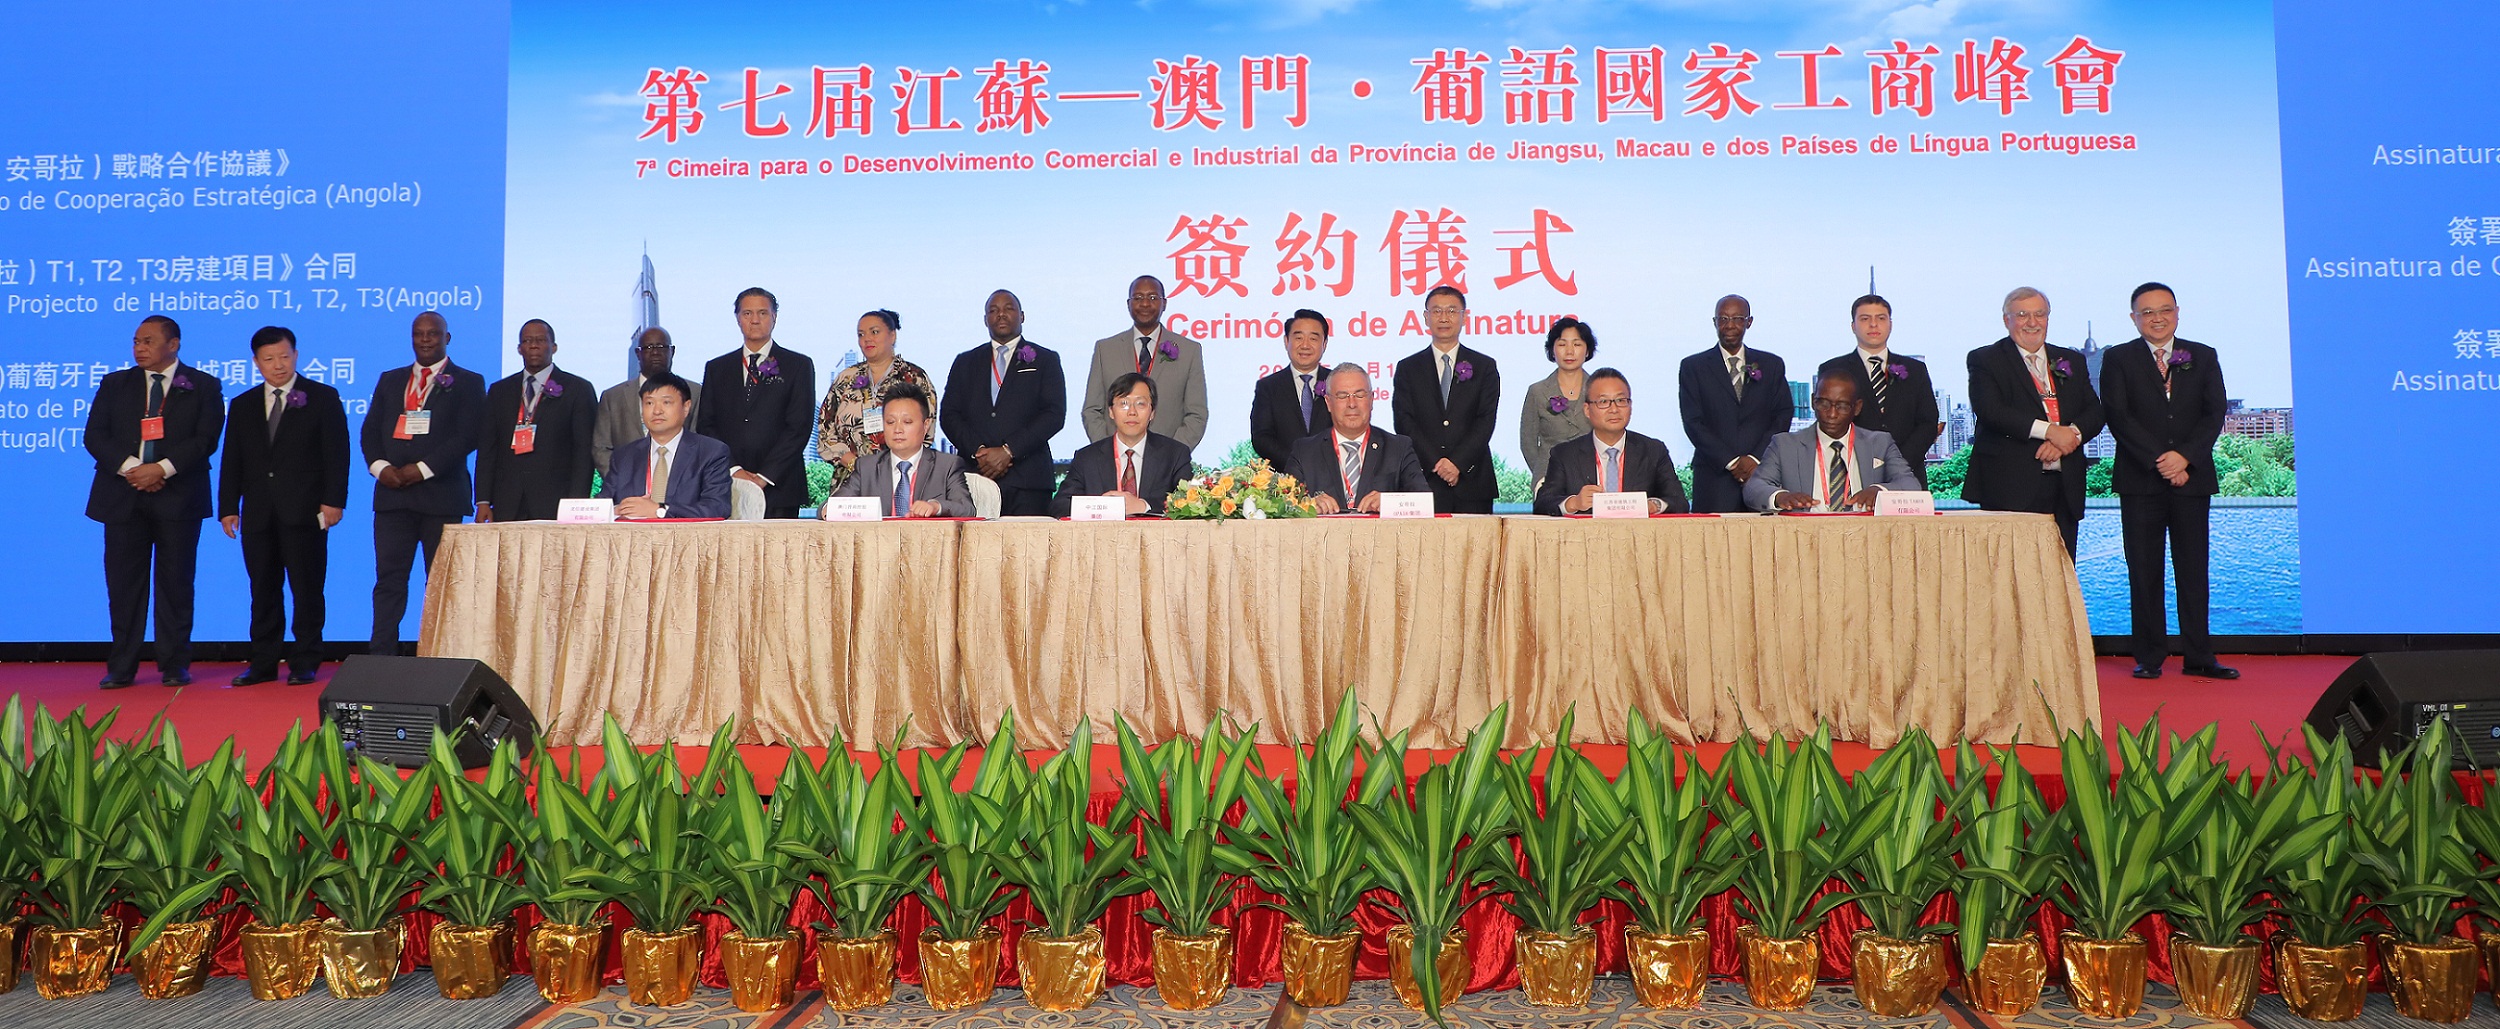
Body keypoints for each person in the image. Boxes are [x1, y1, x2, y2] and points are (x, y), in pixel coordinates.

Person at [2102, 282, 2236, 680]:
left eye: (2165, 310)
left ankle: (2200, 656)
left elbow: (2214, 413)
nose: (2157, 318)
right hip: (2140, 480)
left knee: (2193, 570)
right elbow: (2118, 415)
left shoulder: (2203, 355)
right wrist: (2159, 460)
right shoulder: (2118, 358)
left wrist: (2185, 458)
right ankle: (2149, 656)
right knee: (2144, 571)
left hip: (2191, 479)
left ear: (2177, 313)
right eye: (2147, 312)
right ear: (2134, 318)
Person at [85, 315, 223, 688]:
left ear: (173, 344)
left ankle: (174, 664)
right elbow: (95, 435)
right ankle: (121, 666)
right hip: (122, 496)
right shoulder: (115, 384)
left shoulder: (203, 385)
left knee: (176, 583)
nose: (139, 348)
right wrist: (134, 470)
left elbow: (205, 439)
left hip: (179, 497)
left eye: (147, 341)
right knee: (123, 585)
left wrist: (161, 469)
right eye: (136, 341)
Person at [217, 326, 348, 686]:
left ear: (296, 355)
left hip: (306, 511)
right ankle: (263, 662)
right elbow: (232, 460)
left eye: (284, 356)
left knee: (307, 589)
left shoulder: (322, 397)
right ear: (256, 362)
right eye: (269, 359)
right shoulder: (242, 404)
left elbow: (337, 455)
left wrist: (334, 501)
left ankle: (305, 661)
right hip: (258, 513)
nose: (278, 365)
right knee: (262, 590)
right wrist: (228, 507)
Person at [361, 310, 484, 655]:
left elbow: (468, 435)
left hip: (441, 497)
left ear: (448, 338)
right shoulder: (390, 379)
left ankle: (441, 658)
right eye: (419, 333)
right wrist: (381, 468)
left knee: (442, 584)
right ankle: (380, 658)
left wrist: (423, 469)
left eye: (433, 333)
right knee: (389, 581)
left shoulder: (469, 381)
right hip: (393, 497)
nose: (426, 339)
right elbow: (370, 431)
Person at [1965, 286, 2104, 555]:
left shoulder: (2071, 359)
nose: (2032, 322)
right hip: (2009, 487)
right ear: (2006, 320)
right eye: (2022, 315)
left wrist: (2068, 437)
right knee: (2011, 570)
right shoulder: (1985, 359)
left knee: (2062, 569)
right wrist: (2050, 431)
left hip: (2065, 486)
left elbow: (2094, 412)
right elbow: (1991, 410)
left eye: (2039, 314)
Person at [939, 289, 1066, 515]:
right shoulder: (965, 362)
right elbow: (949, 415)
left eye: (1009, 308)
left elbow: (1053, 414)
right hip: (975, 477)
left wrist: (1009, 450)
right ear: (985, 319)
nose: (1001, 314)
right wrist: (978, 452)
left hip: (1029, 481)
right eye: (993, 310)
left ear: (1022, 316)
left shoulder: (1045, 359)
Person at [695, 287, 816, 518]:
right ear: (738, 318)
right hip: (727, 484)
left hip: (780, 486)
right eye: (747, 313)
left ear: (774, 317)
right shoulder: (717, 368)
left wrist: (764, 477)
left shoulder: (798, 365)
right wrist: (734, 469)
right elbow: (706, 425)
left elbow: (799, 427)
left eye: (762, 313)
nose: (755, 320)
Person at [1391, 286, 1502, 513]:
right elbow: (1404, 421)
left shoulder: (1484, 366)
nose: (1444, 318)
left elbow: (1485, 420)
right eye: (1437, 311)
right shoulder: (1408, 368)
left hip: (1472, 480)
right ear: (1426, 317)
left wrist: (1457, 463)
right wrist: (1437, 463)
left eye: (1451, 311)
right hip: (1423, 479)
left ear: (1464, 317)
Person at [475, 319, 597, 522]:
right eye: (527, 340)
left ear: (554, 347)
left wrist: (576, 503)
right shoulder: (499, 391)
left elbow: (583, 452)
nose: (533, 345)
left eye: (540, 340)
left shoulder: (578, 389)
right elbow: (488, 449)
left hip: (556, 501)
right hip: (507, 501)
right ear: (519, 348)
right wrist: (483, 500)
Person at [1679, 294, 1791, 513]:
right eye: (1723, 319)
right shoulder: (1693, 367)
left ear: (1749, 322)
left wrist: (1754, 458)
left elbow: (1783, 414)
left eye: (1737, 319)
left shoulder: (1771, 364)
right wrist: (1731, 462)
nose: (1729, 325)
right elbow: (1693, 422)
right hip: (1714, 478)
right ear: (1714, 322)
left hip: (1763, 474)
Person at [1743, 376, 1924, 511]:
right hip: (1806, 535)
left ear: (1857, 407)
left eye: (1842, 406)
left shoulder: (1880, 443)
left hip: (1865, 535)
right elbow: (1754, 488)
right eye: (1824, 404)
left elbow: (1910, 484)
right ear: (1813, 402)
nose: (1831, 414)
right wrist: (1780, 497)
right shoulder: (1785, 445)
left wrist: (1879, 490)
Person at [1817, 295, 1942, 487]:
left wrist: (1898, 464)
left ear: (1890, 325)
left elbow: (1928, 421)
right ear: (1853, 326)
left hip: (1908, 475)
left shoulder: (1915, 369)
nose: (1873, 324)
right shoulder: (1833, 369)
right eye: (1865, 319)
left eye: (1881, 318)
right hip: (1851, 475)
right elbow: (1829, 422)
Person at [1532, 368, 1688, 516]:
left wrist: (1654, 505)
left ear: (1630, 406)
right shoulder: (1565, 454)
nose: (1614, 409)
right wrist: (1574, 503)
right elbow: (1543, 504)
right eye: (1603, 401)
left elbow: (1679, 502)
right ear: (1587, 410)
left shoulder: (1653, 451)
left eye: (1621, 400)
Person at [817, 309, 940, 491]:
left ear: (892, 335)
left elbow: (926, 431)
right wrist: (855, 465)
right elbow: (825, 431)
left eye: (874, 332)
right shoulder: (846, 378)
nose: (867, 339)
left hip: (901, 478)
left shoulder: (914, 377)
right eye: (861, 334)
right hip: (850, 479)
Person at [1082, 275, 1207, 448]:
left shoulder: (1189, 351)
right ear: (1128, 304)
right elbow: (1092, 410)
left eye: (1153, 297)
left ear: (1164, 303)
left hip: (1167, 459)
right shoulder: (1105, 350)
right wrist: (1108, 451)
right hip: (1114, 458)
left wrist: (1172, 455)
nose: (1145, 304)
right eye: (1138, 298)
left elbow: (1197, 414)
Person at [1290, 363, 1430, 513]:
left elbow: (1424, 502)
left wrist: (1389, 503)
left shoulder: (1398, 448)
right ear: (1328, 403)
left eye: (1360, 395)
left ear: (1371, 400)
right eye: (1342, 396)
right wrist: (1308, 504)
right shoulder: (1304, 451)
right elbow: (1284, 502)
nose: (1352, 404)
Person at [1053, 373, 1194, 516]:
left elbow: (1190, 502)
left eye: (1140, 404)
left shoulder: (1175, 454)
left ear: (1152, 413)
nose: (1132, 412)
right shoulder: (1087, 458)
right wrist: (1102, 507)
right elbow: (1059, 506)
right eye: (1124, 404)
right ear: (1111, 412)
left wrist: (1143, 506)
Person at [600, 373, 732, 519]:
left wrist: (660, 511)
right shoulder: (624, 456)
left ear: (686, 407)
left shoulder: (711, 452)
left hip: (685, 534)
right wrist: (616, 510)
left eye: (666, 402)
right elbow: (602, 505)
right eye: (649, 403)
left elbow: (718, 507)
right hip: (632, 533)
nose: (657, 411)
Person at [831, 384, 973, 517]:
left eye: (907, 422)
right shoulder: (866, 467)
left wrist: (936, 507)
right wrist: (829, 510)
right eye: (890, 422)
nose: (897, 429)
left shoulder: (947, 466)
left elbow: (967, 509)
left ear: (926, 425)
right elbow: (830, 506)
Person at [593, 327, 700, 473]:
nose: (655, 352)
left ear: (672, 351)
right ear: (638, 353)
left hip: (682, 480)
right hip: (625, 482)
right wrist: (621, 480)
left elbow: (701, 441)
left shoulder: (694, 392)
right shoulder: (613, 397)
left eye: (661, 346)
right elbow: (601, 448)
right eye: (648, 347)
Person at [1248, 309, 1332, 468]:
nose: (1305, 345)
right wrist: (1295, 464)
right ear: (1286, 341)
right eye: (1298, 338)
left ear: (1324, 344)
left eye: (1313, 338)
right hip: (1284, 476)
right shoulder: (1268, 387)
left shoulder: (1338, 383)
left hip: (1332, 475)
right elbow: (1261, 437)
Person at [1519, 317, 1597, 488]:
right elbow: (1528, 443)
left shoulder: (1598, 390)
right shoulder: (1537, 391)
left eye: (1577, 344)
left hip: (1593, 477)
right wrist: (1543, 473)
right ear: (1552, 350)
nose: (1569, 351)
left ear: (1587, 351)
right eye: (1562, 344)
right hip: (1548, 477)